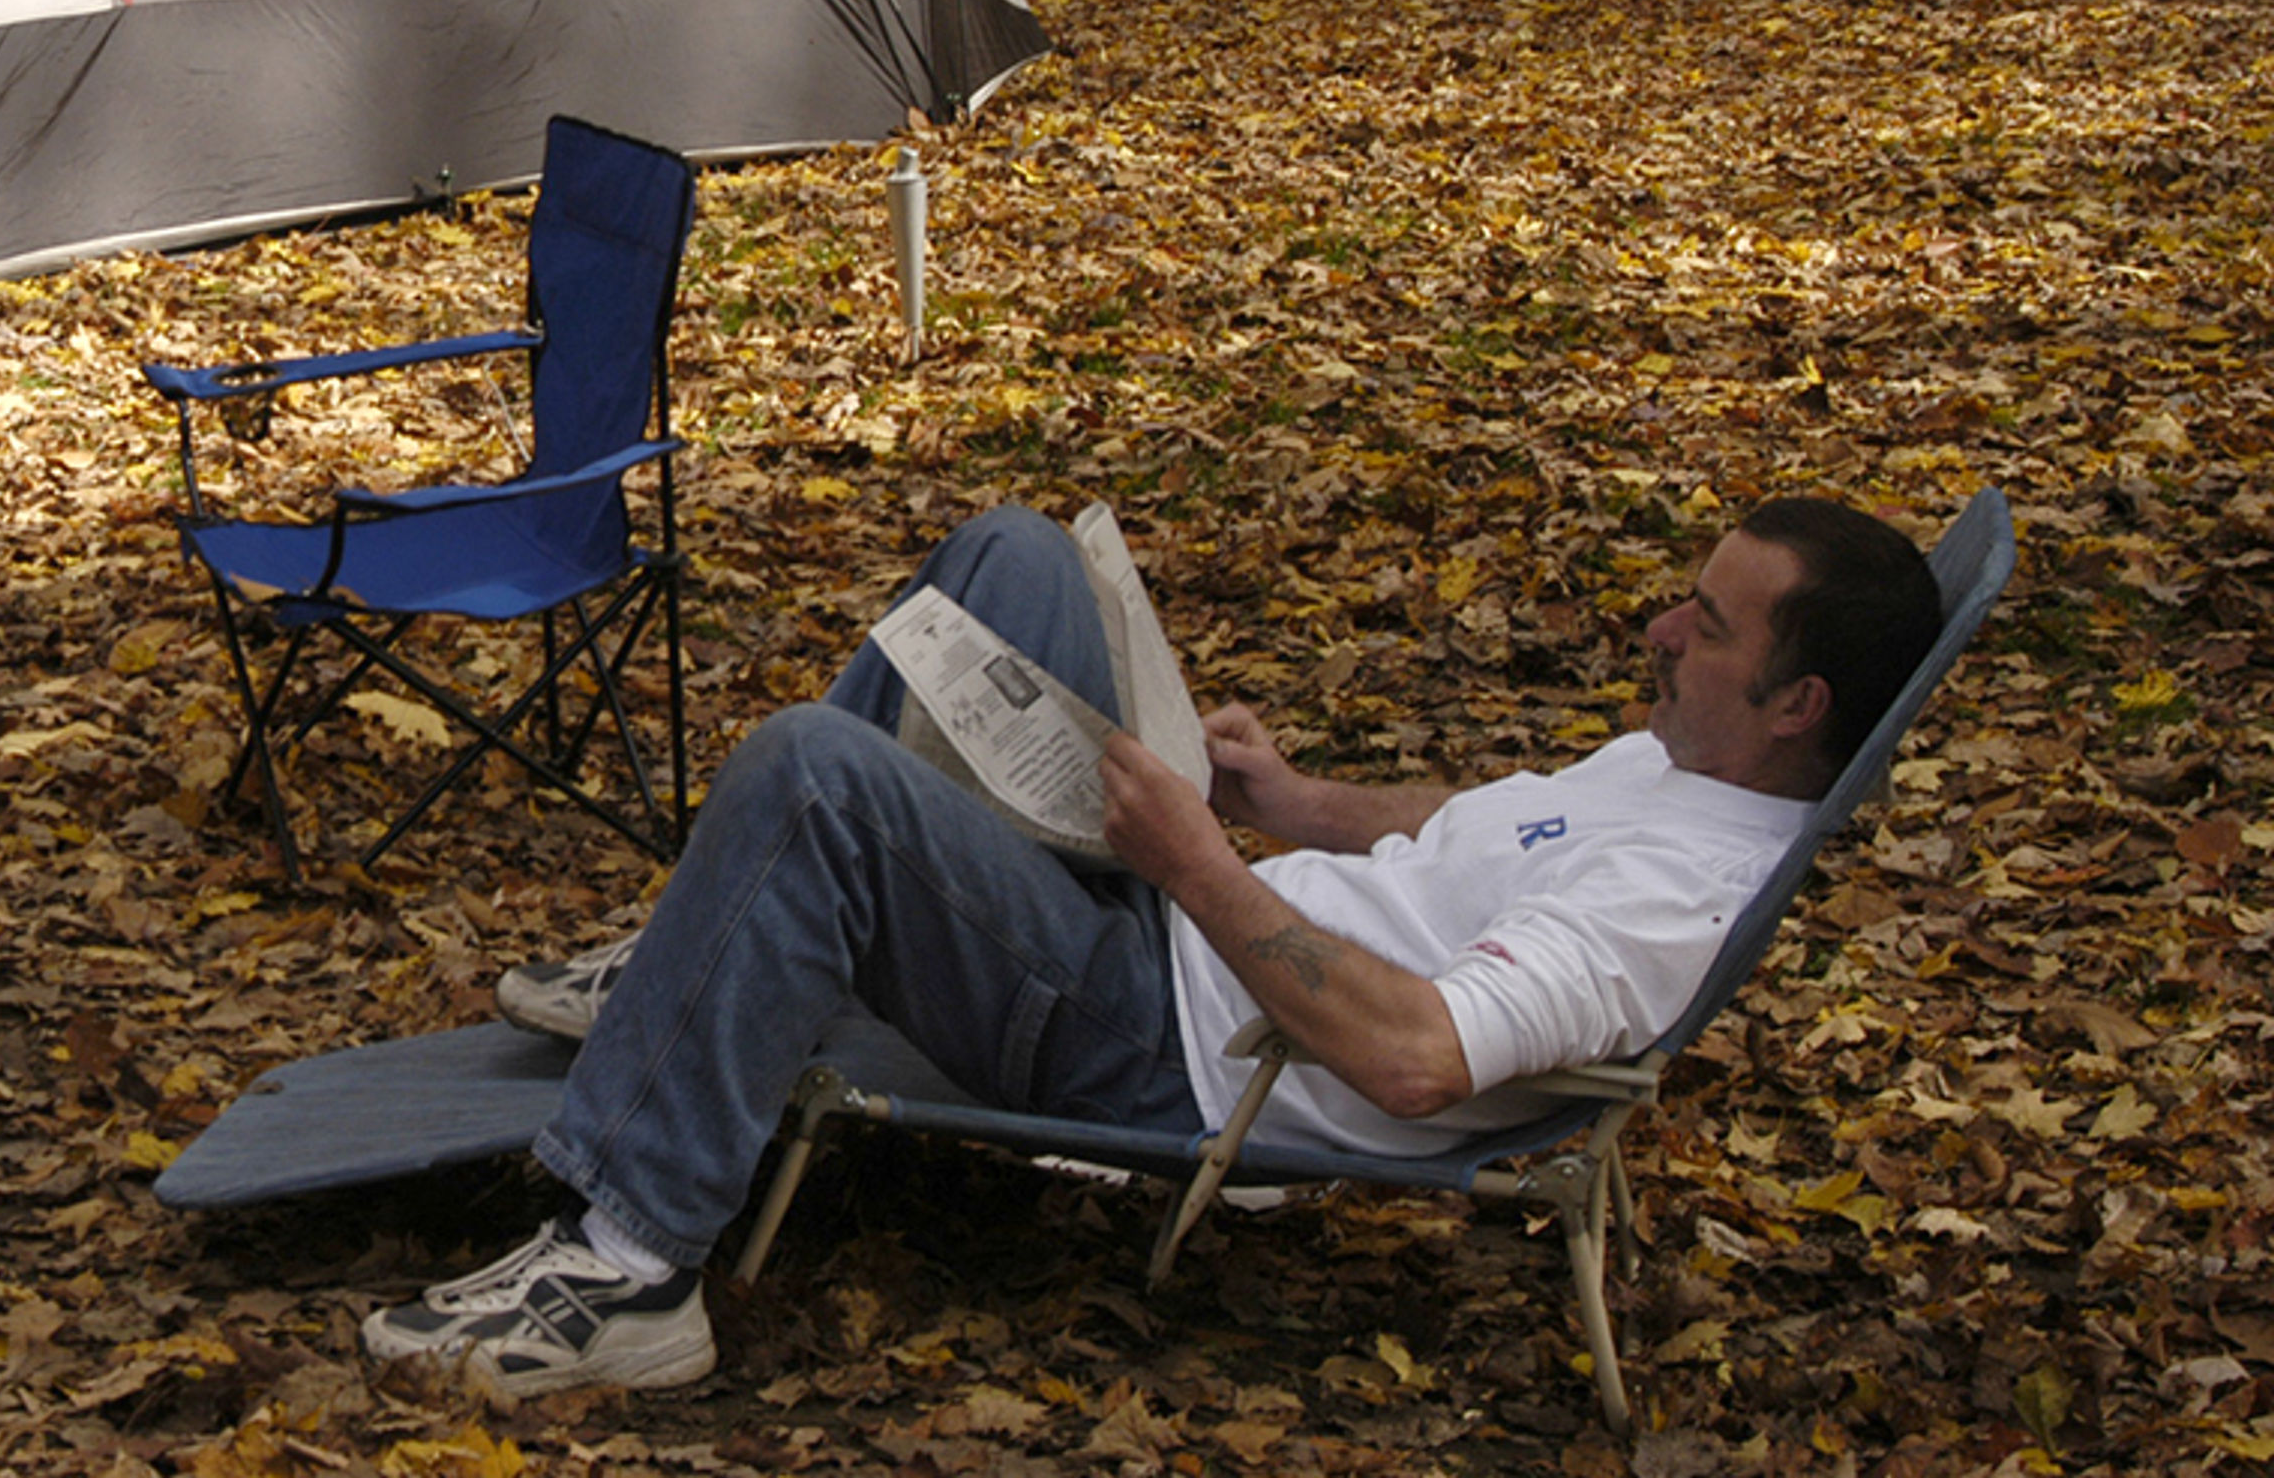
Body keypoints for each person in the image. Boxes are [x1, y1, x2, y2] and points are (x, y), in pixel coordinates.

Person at [357, 495, 1945, 1402]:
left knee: (809, 771)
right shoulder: (1685, 763)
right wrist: (1289, 799)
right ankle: (676, 980)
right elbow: (1496, 820)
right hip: (1194, 939)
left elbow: (1412, 1056)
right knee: (1014, 557)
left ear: (1801, 705)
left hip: (1166, 1047)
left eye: (1709, 627)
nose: (1664, 633)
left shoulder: (1675, 900)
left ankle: (629, 1266)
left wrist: (1196, 863)